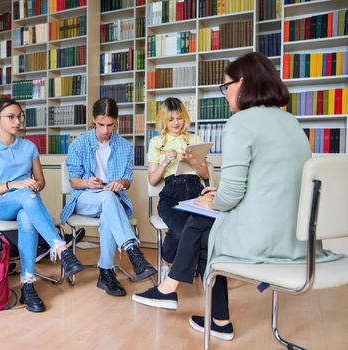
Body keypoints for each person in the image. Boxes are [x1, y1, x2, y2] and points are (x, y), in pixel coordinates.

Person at [132, 52, 340, 341]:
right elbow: (277, 183)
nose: (225, 92)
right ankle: (215, 317)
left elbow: (230, 197)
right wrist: (220, 194)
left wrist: (214, 200)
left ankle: (172, 290)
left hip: (266, 241)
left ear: (243, 84)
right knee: (202, 227)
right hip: (298, 238)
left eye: (226, 85)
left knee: (200, 223)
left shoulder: (240, 123)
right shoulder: (290, 123)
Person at [0, 97, 84, 313]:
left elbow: (41, 181)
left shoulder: (29, 147)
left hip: (28, 203)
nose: (17, 121)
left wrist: (34, 186)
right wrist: (16, 184)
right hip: (1, 205)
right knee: (26, 196)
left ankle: (28, 283)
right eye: (11, 117)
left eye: (19, 117)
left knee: (27, 215)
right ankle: (60, 246)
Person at [61, 97, 157, 297]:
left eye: (110, 125)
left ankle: (105, 273)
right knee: (108, 199)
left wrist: (120, 183)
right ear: (93, 120)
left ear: (116, 122)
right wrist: (87, 182)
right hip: (85, 197)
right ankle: (133, 251)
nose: (105, 130)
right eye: (101, 124)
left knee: (109, 208)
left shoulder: (124, 146)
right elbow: (73, 181)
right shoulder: (79, 144)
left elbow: (128, 180)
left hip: (111, 199)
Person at [147, 97, 209, 265]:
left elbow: (205, 175)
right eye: (171, 119)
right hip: (171, 192)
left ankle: (198, 267)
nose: (176, 123)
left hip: (196, 191)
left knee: (207, 229)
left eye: (179, 118)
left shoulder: (194, 139)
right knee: (182, 231)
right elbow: (152, 180)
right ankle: (169, 260)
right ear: (164, 121)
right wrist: (165, 162)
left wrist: (192, 161)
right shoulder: (156, 142)